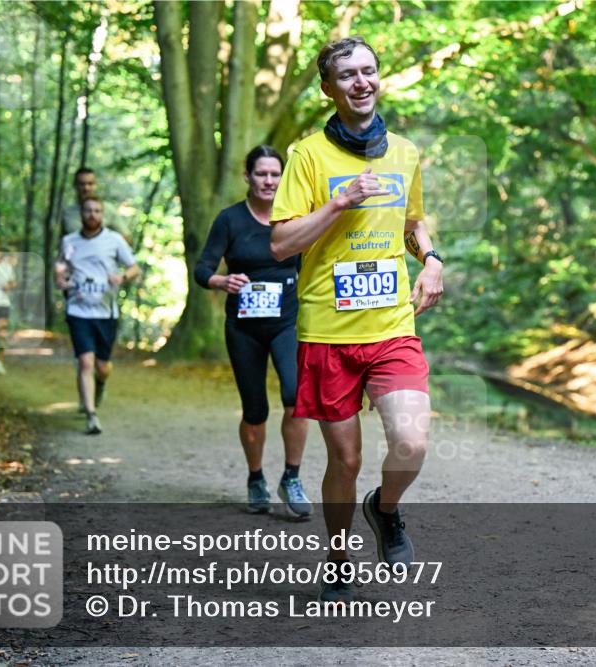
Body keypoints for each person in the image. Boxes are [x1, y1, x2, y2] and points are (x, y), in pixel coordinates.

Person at [269, 37, 444, 603]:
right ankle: (339, 558)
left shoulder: (405, 153)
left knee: (411, 443)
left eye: (368, 71)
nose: (361, 82)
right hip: (328, 330)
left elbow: (412, 224)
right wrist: (338, 202)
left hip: (392, 326)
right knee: (346, 459)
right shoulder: (307, 156)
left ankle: (384, 509)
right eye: (347, 75)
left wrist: (432, 259)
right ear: (329, 88)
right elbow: (281, 243)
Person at [194, 145, 312, 518]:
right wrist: (221, 281)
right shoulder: (230, 219)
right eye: (261, 173)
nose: (269, 181)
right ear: (247, 176)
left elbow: (314, 263)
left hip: (286, 322)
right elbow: (202, 268)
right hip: (243, 328)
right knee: (255, 408)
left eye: (275, 174)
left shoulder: (294, 218)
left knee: (296, 397)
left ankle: (292, 477)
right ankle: (256, 478)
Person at [55, 195, 139, 435]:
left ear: (103, 215)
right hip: (78, 309)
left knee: (102, 366)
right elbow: (60, 268)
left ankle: (100, 383)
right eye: (88, 210)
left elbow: (134, 267)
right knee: (85, 362)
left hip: (106, 312)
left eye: (97, 211)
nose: (92, 215)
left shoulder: (114, 240)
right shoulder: (69, 241)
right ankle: (91, 415)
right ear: (81, 214)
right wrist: (60, 278)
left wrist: (122, 277)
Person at [62, 168, 133, 245]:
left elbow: (128, 239)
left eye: (90, 183)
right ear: (75, 185)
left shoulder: (108, 209)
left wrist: (104, 245)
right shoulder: (67, 213)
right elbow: (62, 242)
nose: (86, 188)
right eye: (81, 184)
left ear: (95, 185)